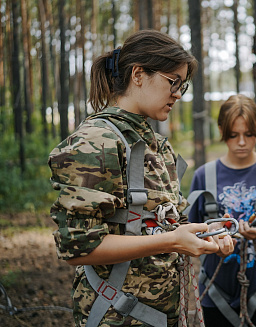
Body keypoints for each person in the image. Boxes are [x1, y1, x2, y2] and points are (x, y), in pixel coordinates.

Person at [48, 30, 234, 327]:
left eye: (182, 86)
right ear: (138, 74)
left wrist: (203, 234)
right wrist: (173, 240)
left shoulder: (158, 145)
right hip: (116, 316)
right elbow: (77, 248)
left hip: (163, 315)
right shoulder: (95, 142)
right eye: (173, 81)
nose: (177, 94)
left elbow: (158, 224)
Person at [187, 94, 256, 327]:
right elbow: (189, 237)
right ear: (221, 130)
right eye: (233, 135)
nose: (241, 142)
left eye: (248, 134)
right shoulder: (203, 176)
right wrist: (213, 236)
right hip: (215, 288)